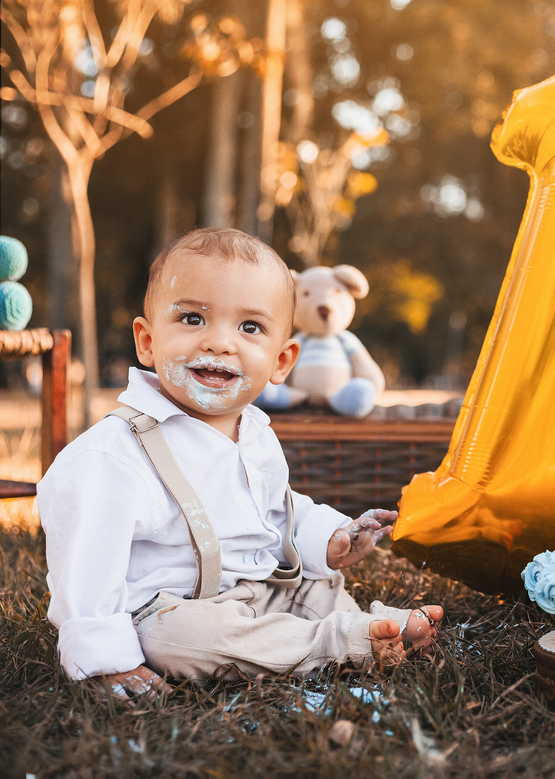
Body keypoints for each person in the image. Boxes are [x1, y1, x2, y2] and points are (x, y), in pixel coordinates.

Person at [37, 228, 443, 700]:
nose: (219, 342)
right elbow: (86, 565)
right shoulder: (114, 454)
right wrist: (104, 657)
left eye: (249, 328)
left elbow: (277, 508)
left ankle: (364, 626)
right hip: (172, 610)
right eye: (192, 318)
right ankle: (339, 642)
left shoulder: (255, 432)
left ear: (281, 361)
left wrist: (327, 538)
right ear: (147, 342)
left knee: (316, 584)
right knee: (182, 639)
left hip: (261, 587)